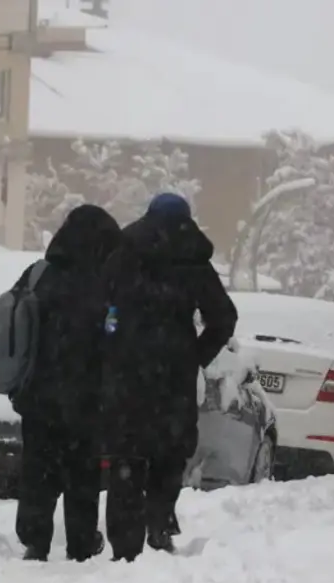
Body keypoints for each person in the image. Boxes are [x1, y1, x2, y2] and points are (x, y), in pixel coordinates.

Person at [99, 192, 238, 561]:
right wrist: (195, 355)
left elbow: (101, 305)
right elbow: (224, 317)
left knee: (126, 457)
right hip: (173, 376)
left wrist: (111, 345)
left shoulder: (124, 254)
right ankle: (159, 523)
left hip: (128, 374)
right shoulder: (194, 263)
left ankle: (124, 546)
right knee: (168, 454)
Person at [13, 204, 122, 562]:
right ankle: (81, 542)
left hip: (38, 396)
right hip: (86, 400)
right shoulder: (106, 286)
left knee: (37, 470)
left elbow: (17, 326)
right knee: (82, 475)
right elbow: (116, 342)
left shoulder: (38, 275)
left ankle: (34, 539)